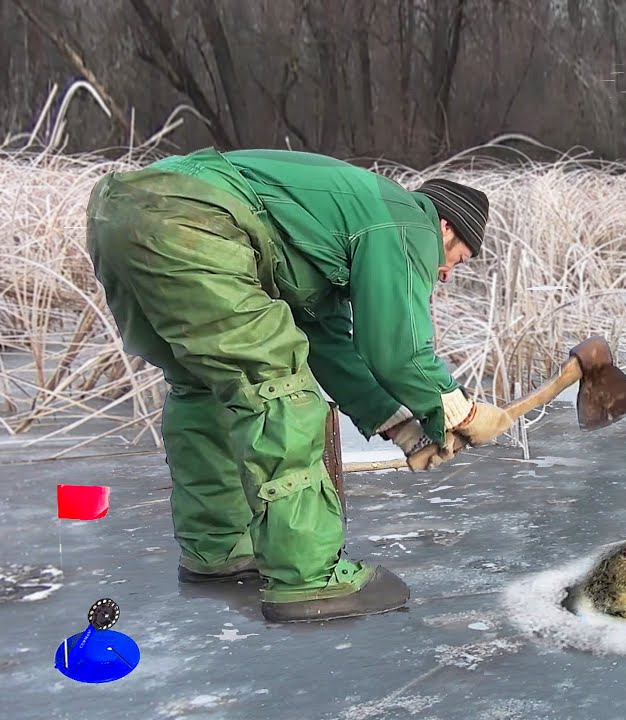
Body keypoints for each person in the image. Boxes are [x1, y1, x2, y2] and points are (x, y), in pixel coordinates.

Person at [85, 147, 510, 622]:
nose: (447, 272)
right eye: (456, 257)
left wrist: (406, 426)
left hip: (122, 211)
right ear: (446, 227)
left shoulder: (337, 223)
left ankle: (219, 551)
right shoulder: (407, 220)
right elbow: (399, 347)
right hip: (196, 218)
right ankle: (308, 579)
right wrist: (462, 411)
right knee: (278, 388)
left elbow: (326, 339)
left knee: (204, 387)